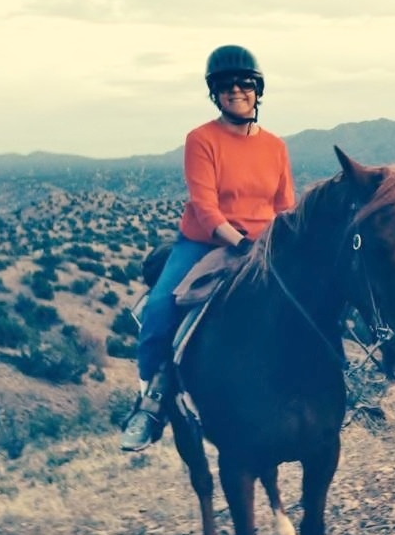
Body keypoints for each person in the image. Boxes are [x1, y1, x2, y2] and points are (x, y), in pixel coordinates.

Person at [120, 44, 296, 451]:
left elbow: (285, 207)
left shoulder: (276, 147)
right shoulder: (201, 139)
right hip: (206, 242)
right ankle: (151, 403)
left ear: (257, 89)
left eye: (244, 83)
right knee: (161, 308)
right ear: (214, 92)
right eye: (224, 85)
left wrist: (284, 245)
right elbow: (205, 206)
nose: (235, 90)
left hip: (264, 246)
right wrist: (241, 243)